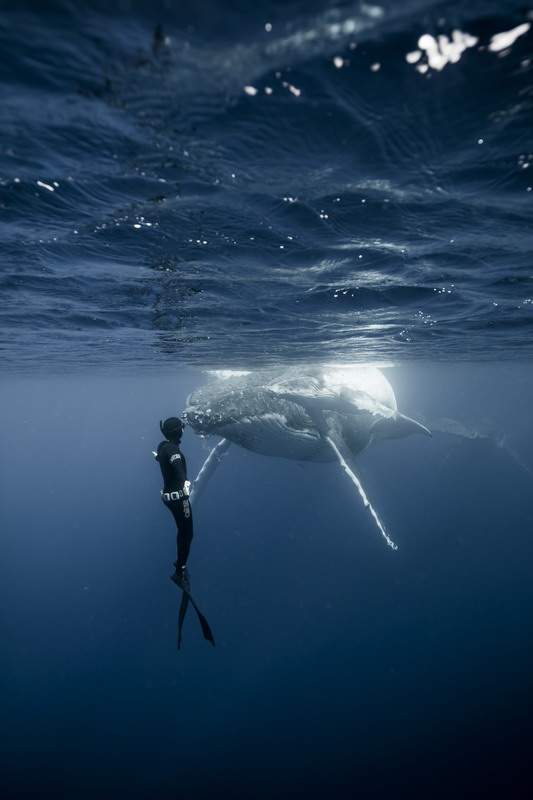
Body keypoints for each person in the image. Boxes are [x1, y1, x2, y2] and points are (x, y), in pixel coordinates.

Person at [154, 417, 193, 592]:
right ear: (178, 431)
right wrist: (185, 481)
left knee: (181, 531)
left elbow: (165, 458)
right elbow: (176, 462)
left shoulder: (162, 446)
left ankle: (180, 560)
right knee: (187, 534)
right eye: (182, 427)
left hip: (168, 499)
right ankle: (179, 571)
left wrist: (159, 459)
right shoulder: (172, 450)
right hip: (179, 499)